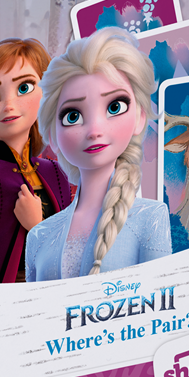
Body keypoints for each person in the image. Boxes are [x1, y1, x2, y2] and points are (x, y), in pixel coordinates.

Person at [25, 27, 172, 280]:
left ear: (140, 117)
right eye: (73, 116)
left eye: (114, 107)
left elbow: (160, 299)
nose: (94, 130)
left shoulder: (151, 218)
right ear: (53, 136)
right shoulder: (39, 236)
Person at [0, 38, 72, 283]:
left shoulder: (56, 173)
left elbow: (68, 250)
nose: (8, 105)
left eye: (24, 87)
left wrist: (36, 225)